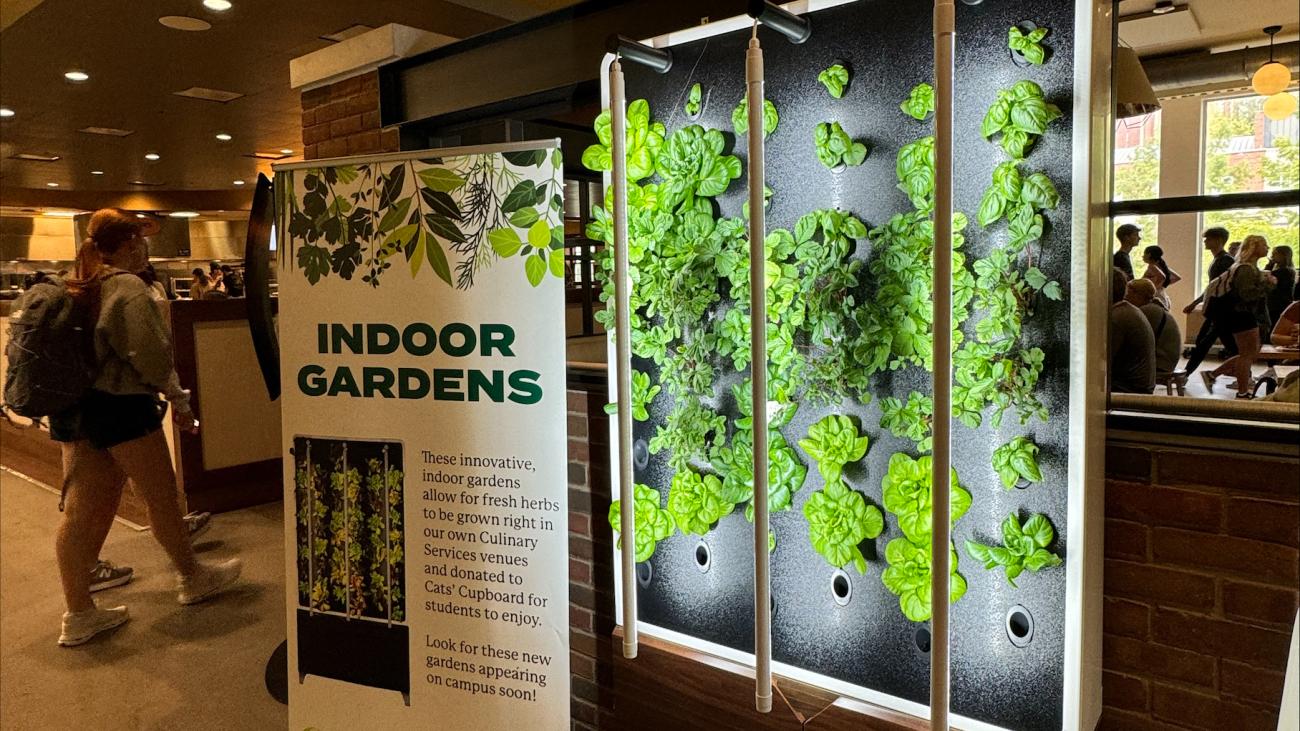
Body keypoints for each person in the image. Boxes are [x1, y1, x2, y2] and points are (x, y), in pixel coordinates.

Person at [48, 209, 240, 646]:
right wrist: (178, 398)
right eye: (139, 240)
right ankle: (192, 578)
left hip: (75, 410)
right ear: (128, 244)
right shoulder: (126, 288)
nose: (144, 248)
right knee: (160, 497)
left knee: (82, 512)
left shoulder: (72, 283)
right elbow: (151, 356)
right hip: (121, 408)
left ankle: (79, 612)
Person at [1202, 235, 1276, 399]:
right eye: (1264, 244)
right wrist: (1268, 284)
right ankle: (1243, 392)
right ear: (1254, 247)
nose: (1267, 247)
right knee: (1247, 355)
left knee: (1249, 353)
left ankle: (1213, 375)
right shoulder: (1245, 269)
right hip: (1241, 315)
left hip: (1239, 315)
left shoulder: (1246, 267)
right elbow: (1247, 295)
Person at [1179, 227, 1238, 376]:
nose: (1205, 241)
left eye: (1208, 239)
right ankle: (1244, 372)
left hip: (1221, 310)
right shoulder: (1218, 260)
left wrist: (1195, 303)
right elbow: (1212, 286)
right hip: (1217, 309)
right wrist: (1195, 303)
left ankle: (1185, 374)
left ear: (1218, 240)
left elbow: (1217, 287)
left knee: (1204, 343)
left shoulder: (1225, 261)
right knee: (1214, 343)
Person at [1110, 267, 1156, 394]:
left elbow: (1103, 361)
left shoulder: (1117, 317)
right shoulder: (1127, 310)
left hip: (1130, 389)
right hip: (1140, 385)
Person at [1127, 278, 1182, 378]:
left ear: (1137, 294)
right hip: (1167, 361)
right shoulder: (1155, 308)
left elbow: (1133, 340)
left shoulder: (1147, 311)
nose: (1125, 298)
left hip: (1161, 363)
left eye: (1127, 294)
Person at [1140, 245, 1180, 310]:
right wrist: (1162, 286)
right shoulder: (1160, 266)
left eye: (1144, 254)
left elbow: (1162, 277)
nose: (1142, 256)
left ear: (1149, 255)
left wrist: (1154, 289)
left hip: (1157, 297)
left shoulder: (1152, 266)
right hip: (1162, 295)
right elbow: (1177, 277)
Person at [1264, 245, 1295, 330]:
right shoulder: (1286, 270)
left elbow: (1265, 277)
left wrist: (1269, 265)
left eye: (1275, 254)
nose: (1272, 257)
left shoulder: (1284, 271)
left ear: (1283, 256)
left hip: (1278, 305)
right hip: (1278, 304)